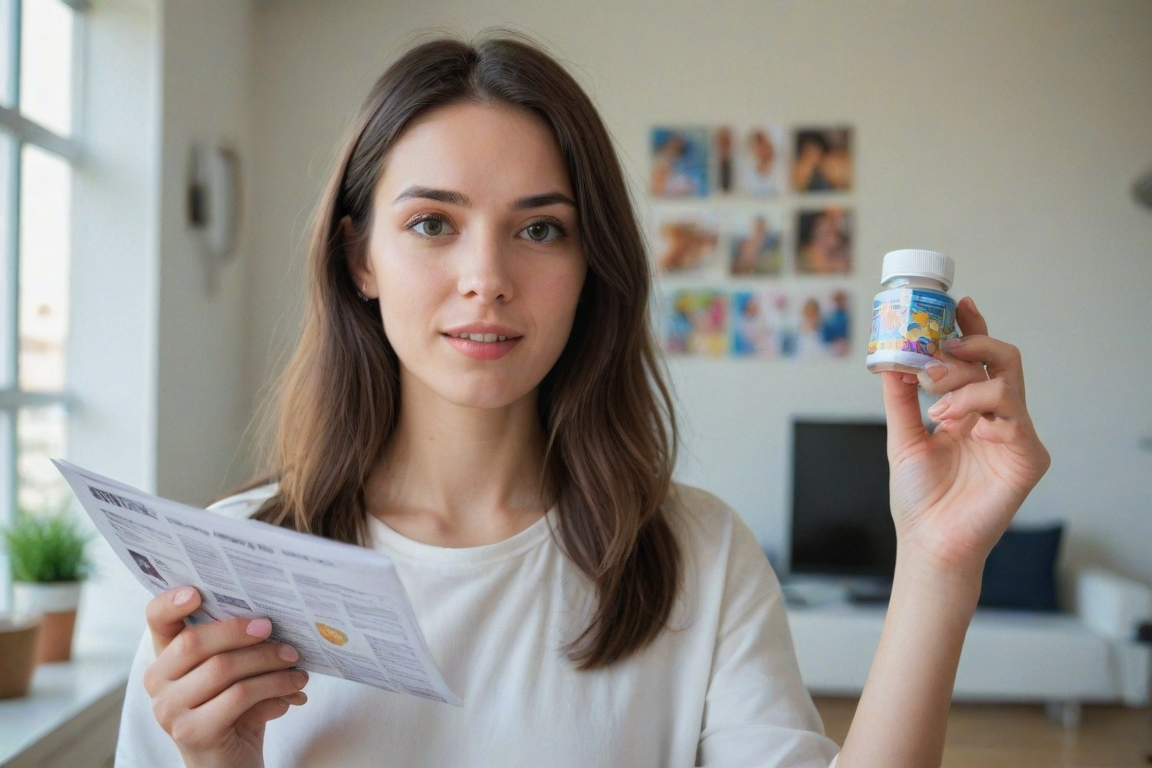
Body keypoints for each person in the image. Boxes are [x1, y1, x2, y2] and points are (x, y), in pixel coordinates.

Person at [117, 33, 1050, 768]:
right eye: (432, 223)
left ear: (590, 265)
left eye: (540, 228)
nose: (486, 277)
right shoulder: (226, 572)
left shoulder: (699, 560)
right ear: (361, 257)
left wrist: (937, 563)